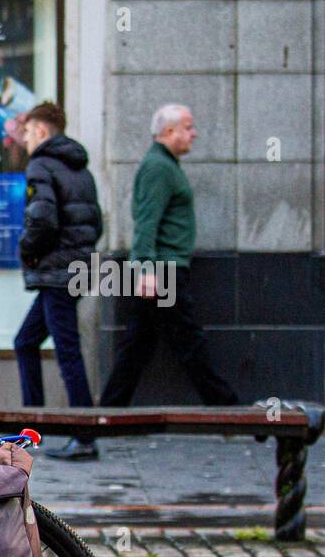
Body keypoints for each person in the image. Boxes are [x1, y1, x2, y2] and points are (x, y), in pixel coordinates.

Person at [100, 104, 237, 407]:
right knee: (188, 341)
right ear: (169, 131)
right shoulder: (158, 168)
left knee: (139, 345)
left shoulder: (166, 165)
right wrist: (146, 271)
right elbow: (146, 222)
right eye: (188, 127)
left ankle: (106, 415)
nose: (194, 133)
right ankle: (229, 409)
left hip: (164, 270)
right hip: (163, 273)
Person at [13, 101, 103, 461]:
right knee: (25, 341)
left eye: (29, 131)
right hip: (75, 268)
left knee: (67, 351)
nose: (25, 138)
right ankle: (33, 432)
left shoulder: (41, 165)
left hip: (56, 272)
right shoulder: (81, 169)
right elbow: (95, 224)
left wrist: (27, 250)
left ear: (43, 131)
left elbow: (42, 220)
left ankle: (84, 437)